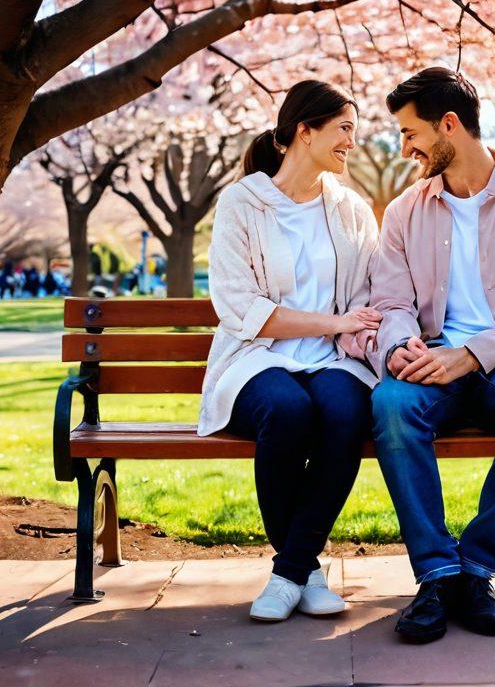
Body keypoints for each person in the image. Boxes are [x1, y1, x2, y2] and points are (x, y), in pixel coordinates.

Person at [367, 67, 495, 643]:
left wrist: (471, 355)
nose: (404, 147)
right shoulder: (405, 211)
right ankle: (436, 574)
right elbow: (390, 299)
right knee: (389, 403)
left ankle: (477, 570)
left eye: (411, 133)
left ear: (449, 126)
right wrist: (402, 346)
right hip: (433, 357)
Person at [200, 80, 382, 623]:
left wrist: (355, 331)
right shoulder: (242, 203)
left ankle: (288, 573)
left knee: (345, 411)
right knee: (287, 409)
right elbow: (240, 306)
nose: (353, 140)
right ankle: (306, 571)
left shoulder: (352, 209)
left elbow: (365, 298)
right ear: (305, 131)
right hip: (257, 353)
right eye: (344, 128)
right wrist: (334, 321)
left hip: (333, 357)